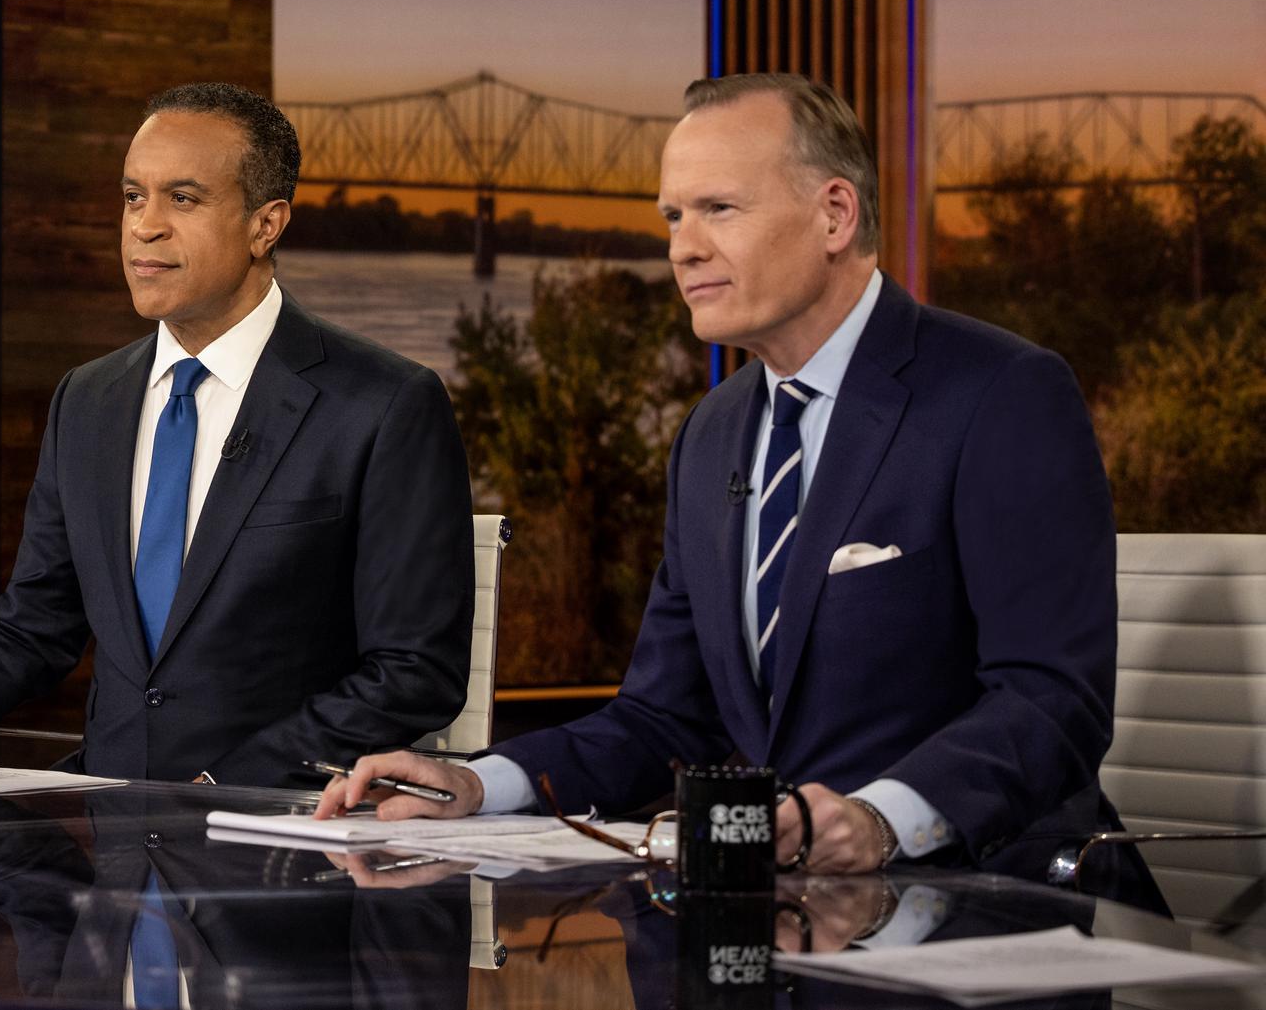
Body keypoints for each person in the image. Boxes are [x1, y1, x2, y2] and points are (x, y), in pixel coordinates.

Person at [317, 74, 1144, 896]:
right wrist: (476, 783)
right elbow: (663, 716)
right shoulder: (712, 434)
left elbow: (1050, 697)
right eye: (674, 216)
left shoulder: (1001, 392)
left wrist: (880, 818)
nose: (682, 246)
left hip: (983, 903)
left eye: (719, 209)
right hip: (775, 912)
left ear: (834, 214)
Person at [0, 82, 476, 787]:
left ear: (266, 223)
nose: (143, 224)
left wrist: (225, 785)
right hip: (104, 856)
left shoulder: (382, 405)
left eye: (182, 198)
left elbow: (415, 671)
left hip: (282, 850)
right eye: (132, 196)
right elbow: (31, 628)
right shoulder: (89, 400)